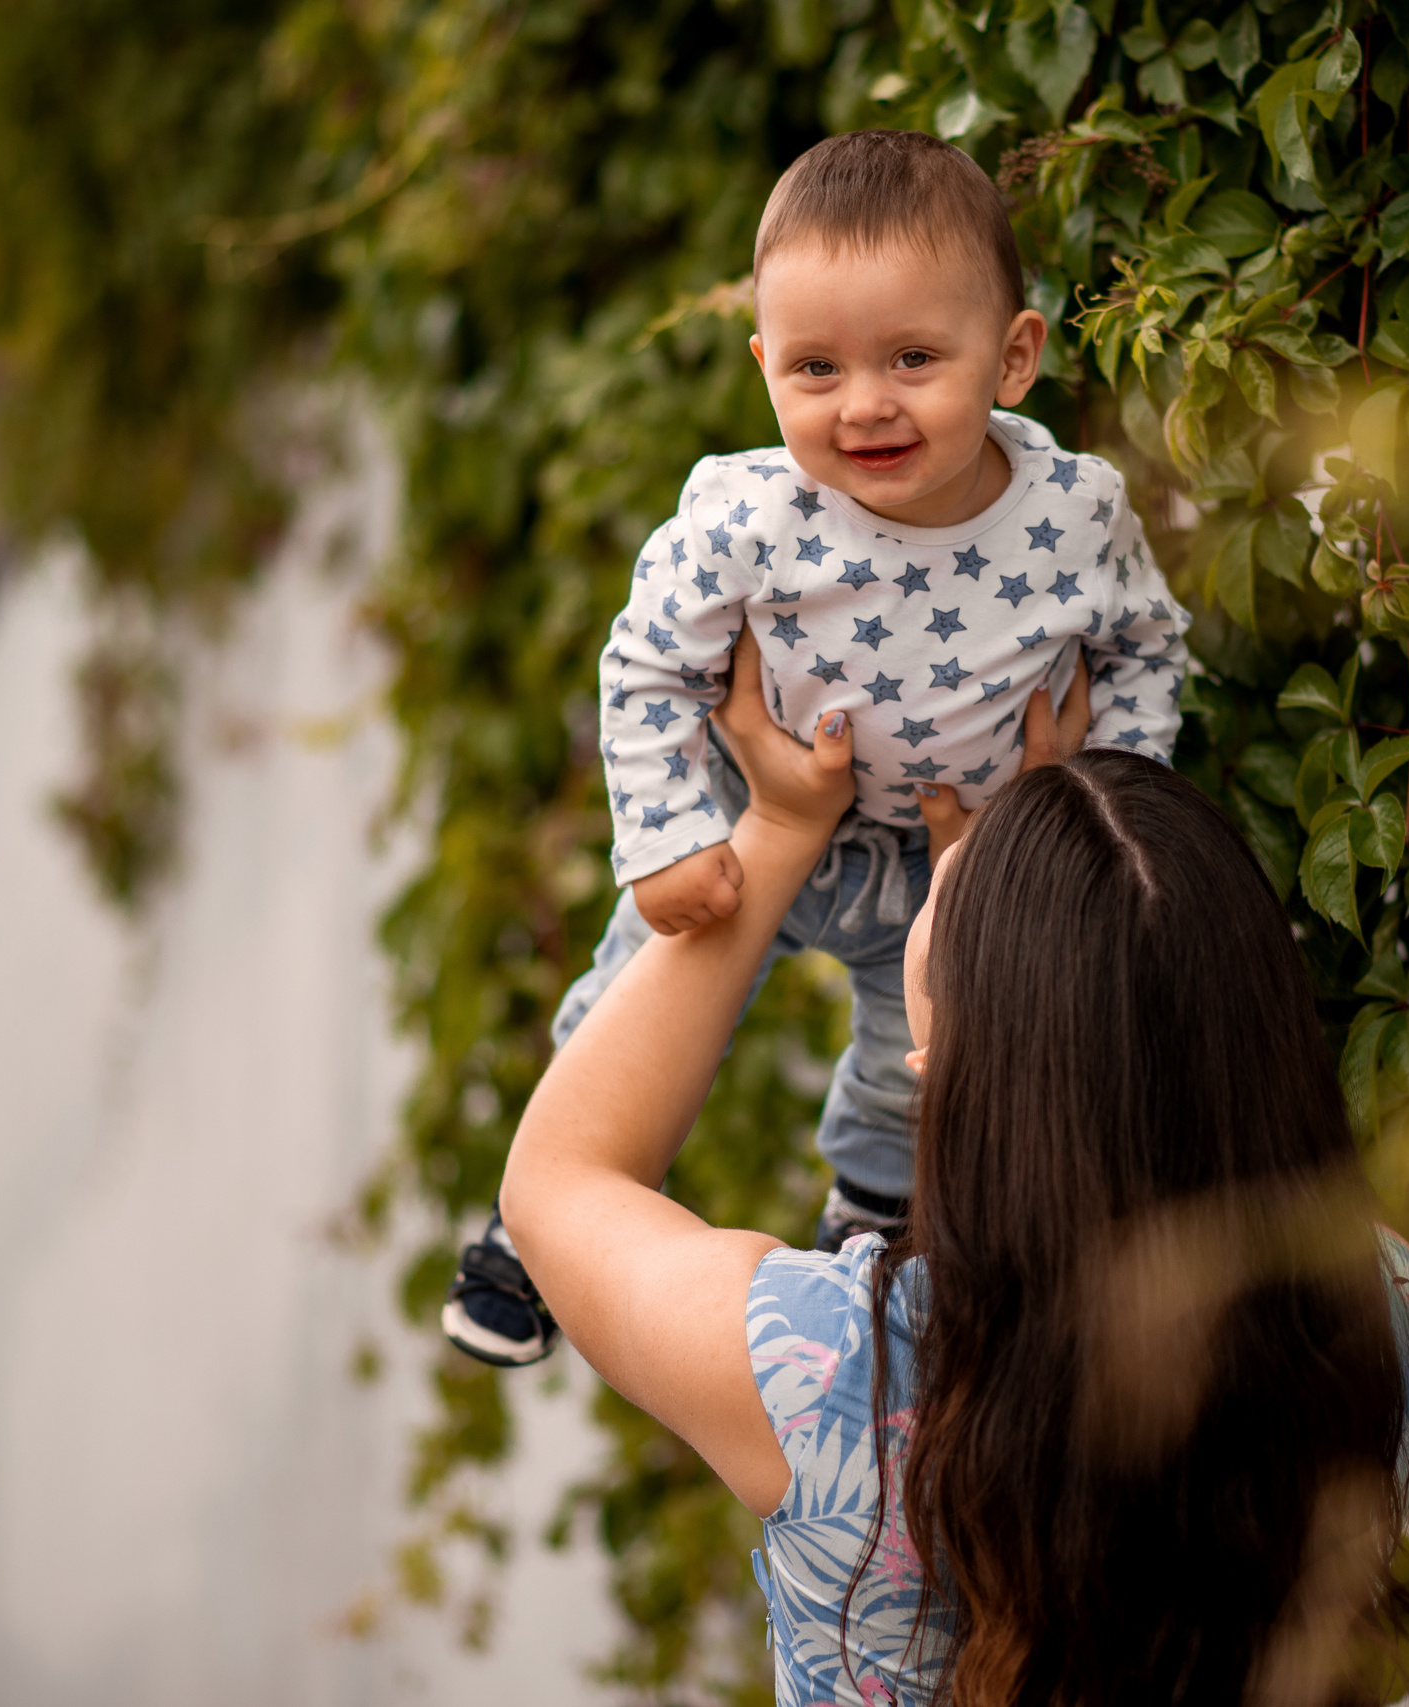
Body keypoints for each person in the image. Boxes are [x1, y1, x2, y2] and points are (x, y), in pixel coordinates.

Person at [497, 628, 1409, 1706]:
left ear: (943, 1059)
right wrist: (1057, 896)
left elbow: (556, 1184)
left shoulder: (833, 1374)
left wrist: (774, 827)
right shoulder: (1386, 1312)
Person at [445, 128, 1191, 1365]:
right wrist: (670, 834)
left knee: (925, 1052)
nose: (865, 404)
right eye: (815, 367)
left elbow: (1147, 654)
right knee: (634, 996)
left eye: (912, 357)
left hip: (958, 850)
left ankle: (874, 1213)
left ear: (1013, 356)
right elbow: (646, 666)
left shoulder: (1074, 517)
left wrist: (1098, 805)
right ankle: (534, 1229)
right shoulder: (742, 517)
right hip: (767, 817)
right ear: (763, 371)